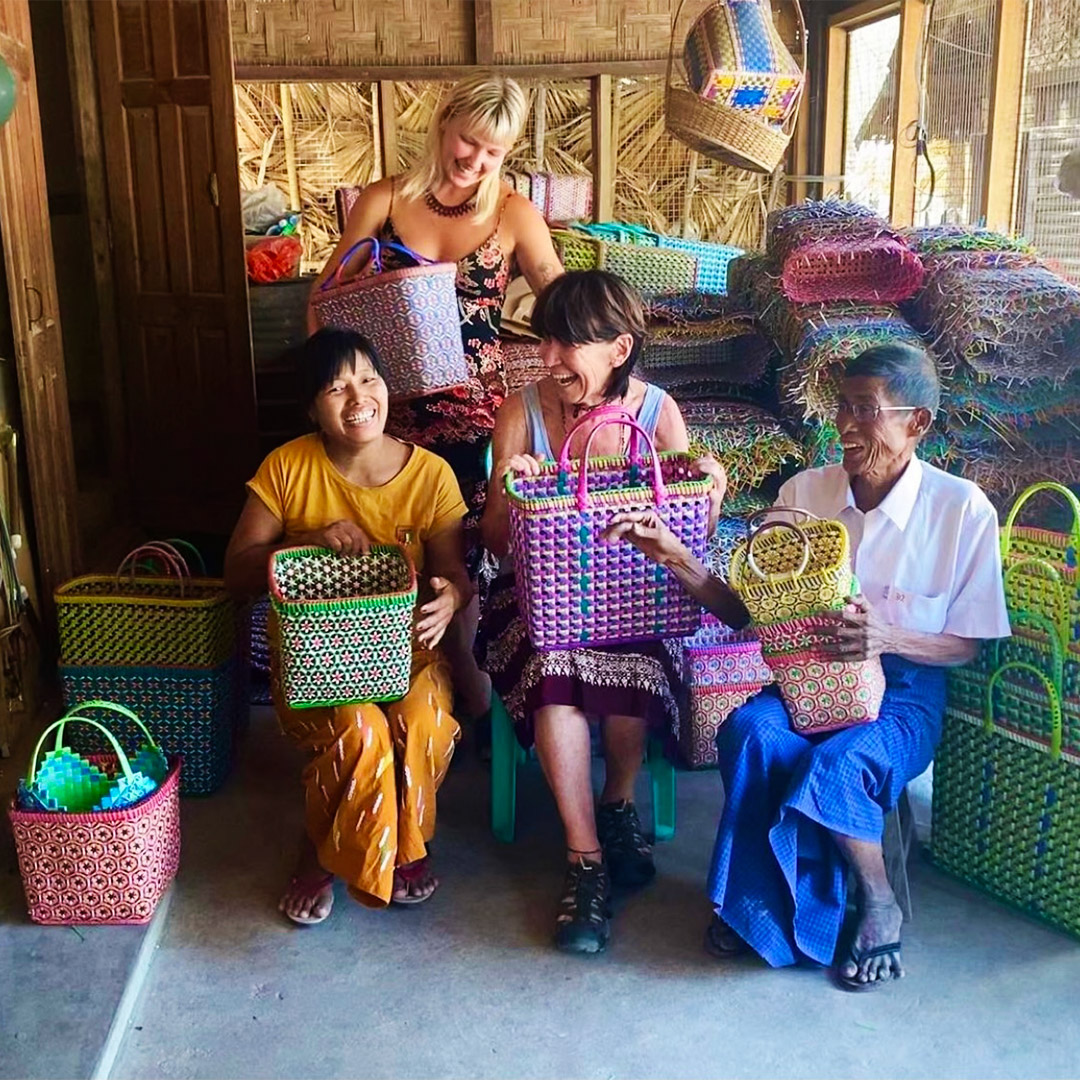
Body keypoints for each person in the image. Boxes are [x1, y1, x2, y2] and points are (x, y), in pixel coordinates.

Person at [604, 342, 1010, 989]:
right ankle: (760, 907)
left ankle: (877, 900)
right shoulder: (805, 493)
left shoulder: (961, 510)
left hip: (904, 693)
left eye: (865, 410)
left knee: (840, 761)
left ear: (917, 424)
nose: (845, 426)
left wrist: (888, 635)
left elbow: (968, 644)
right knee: (751, 731)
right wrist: (675, 554)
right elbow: (746, 613)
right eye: (840, 407)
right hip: (803, 678)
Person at [480, 270, 724, 955]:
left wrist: (712, 486)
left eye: (567, 344)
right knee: (556, 669)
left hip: (637, 601)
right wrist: (508, 491)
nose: (550, 358)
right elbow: (496, 546)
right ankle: (585, 861)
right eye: (545, 340)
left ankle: (617, 802)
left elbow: (688, 534)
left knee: (635, 661)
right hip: (537, 601)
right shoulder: (521, 411)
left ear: (619, 349)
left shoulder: (656, 415)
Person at [308, 73, 564, 722]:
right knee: (388, 545)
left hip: (473, 414)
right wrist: (345, 388)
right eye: (469, 141)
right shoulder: (385, 200)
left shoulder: (513, 213)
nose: (476, 161)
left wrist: (601, 357)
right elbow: (322, 305)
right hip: (384, 415)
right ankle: (390, 687)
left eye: (494, 152)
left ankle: (468, 702)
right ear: (444, 122)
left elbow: (564, 303)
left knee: (461, 550)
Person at [224, 328, 472, 924]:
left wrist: (451, 599)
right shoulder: (287, 467)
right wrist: (306, 540)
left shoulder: (431, 475)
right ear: (312, 407)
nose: (357, 396)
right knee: (361, 729)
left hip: (410, 656)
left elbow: (454, 574)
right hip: (317, 671)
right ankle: (322, 851)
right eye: (335, 387)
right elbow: (235, 571)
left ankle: (400, 842)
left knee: (422, 720)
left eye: (368, 379)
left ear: (388, 389)